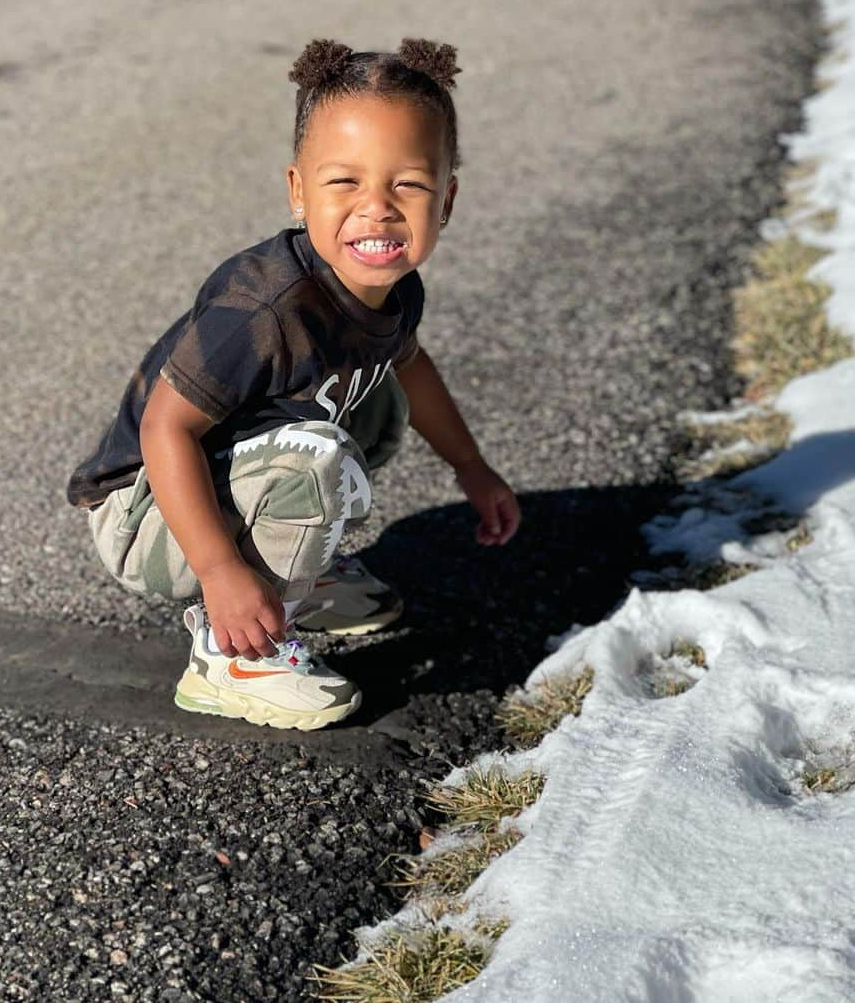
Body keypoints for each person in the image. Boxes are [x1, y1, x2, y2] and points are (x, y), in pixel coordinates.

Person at [67, 37, 521, 731]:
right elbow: (166, 428)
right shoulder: (267, 308)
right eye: (345, 182)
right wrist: (220, 570)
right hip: (142, 511)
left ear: (447, 198)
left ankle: (299, 577)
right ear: (297, 190)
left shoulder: (394, 294)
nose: (378, 208)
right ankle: (233, 655)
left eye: (409, 183)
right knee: (320, 460)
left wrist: (473, 466)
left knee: (377, 401)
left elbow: (413, 368)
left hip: (217, 476)